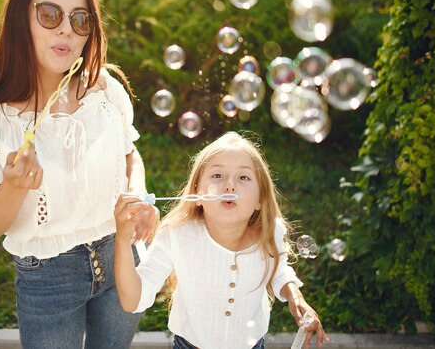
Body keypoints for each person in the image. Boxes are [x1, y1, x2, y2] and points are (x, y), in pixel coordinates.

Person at [0, 0, 157, 349]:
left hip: (121, 254)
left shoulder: (104, 90)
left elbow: (130, 154)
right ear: (20, 21)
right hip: (49, 278)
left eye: (80, 19)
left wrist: (137, 197)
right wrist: (12, 187)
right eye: (49, 14)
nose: (66, 30)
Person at [114, 131, 329, 349]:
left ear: (260, 200)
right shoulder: (177, 234)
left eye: (243, 177)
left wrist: (295, 297)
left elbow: (278, 270)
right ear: (197, 193)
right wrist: (123, 240)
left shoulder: (270, 231)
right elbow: (133, 299)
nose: (229, 186)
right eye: (217, 175)